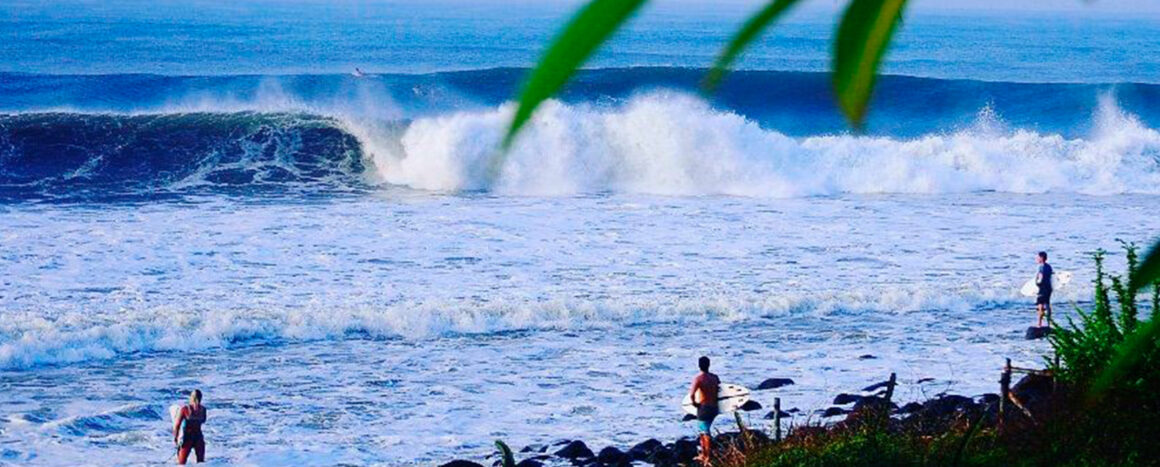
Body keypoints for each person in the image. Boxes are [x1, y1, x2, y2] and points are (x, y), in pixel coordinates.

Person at [688, 356, 719, 465]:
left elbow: (692, 394)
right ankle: (704, 454)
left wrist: (694, 404)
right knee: (705, 430)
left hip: (704, 408)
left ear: (699, 365)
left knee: (704, 432)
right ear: (709, 365)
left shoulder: (699, 379)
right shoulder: (715, 377)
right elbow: (720, 390)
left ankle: (707, 457)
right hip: (715, 408)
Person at [174, 389, 208, 464]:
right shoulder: (203, 410)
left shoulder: (185, 409)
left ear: (191, 398)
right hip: (198, 437)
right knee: (201, 463)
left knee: (181, 463)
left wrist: (176, 438)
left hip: (187, 438)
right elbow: (203, 420)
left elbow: (177, 425)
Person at [1036, 251, 1054, 327]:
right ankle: (1049, 323)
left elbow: (1041, 277)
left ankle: (1039, 324)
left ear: (1042, 258)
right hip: (1049, 287)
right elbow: (1051, 276)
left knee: (1040, 305)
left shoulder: (1041, 267)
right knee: (1047, 304)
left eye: (1038, 257)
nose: (1037, 259)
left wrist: (1037, 283)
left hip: (1042, 288)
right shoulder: (1049, 266)